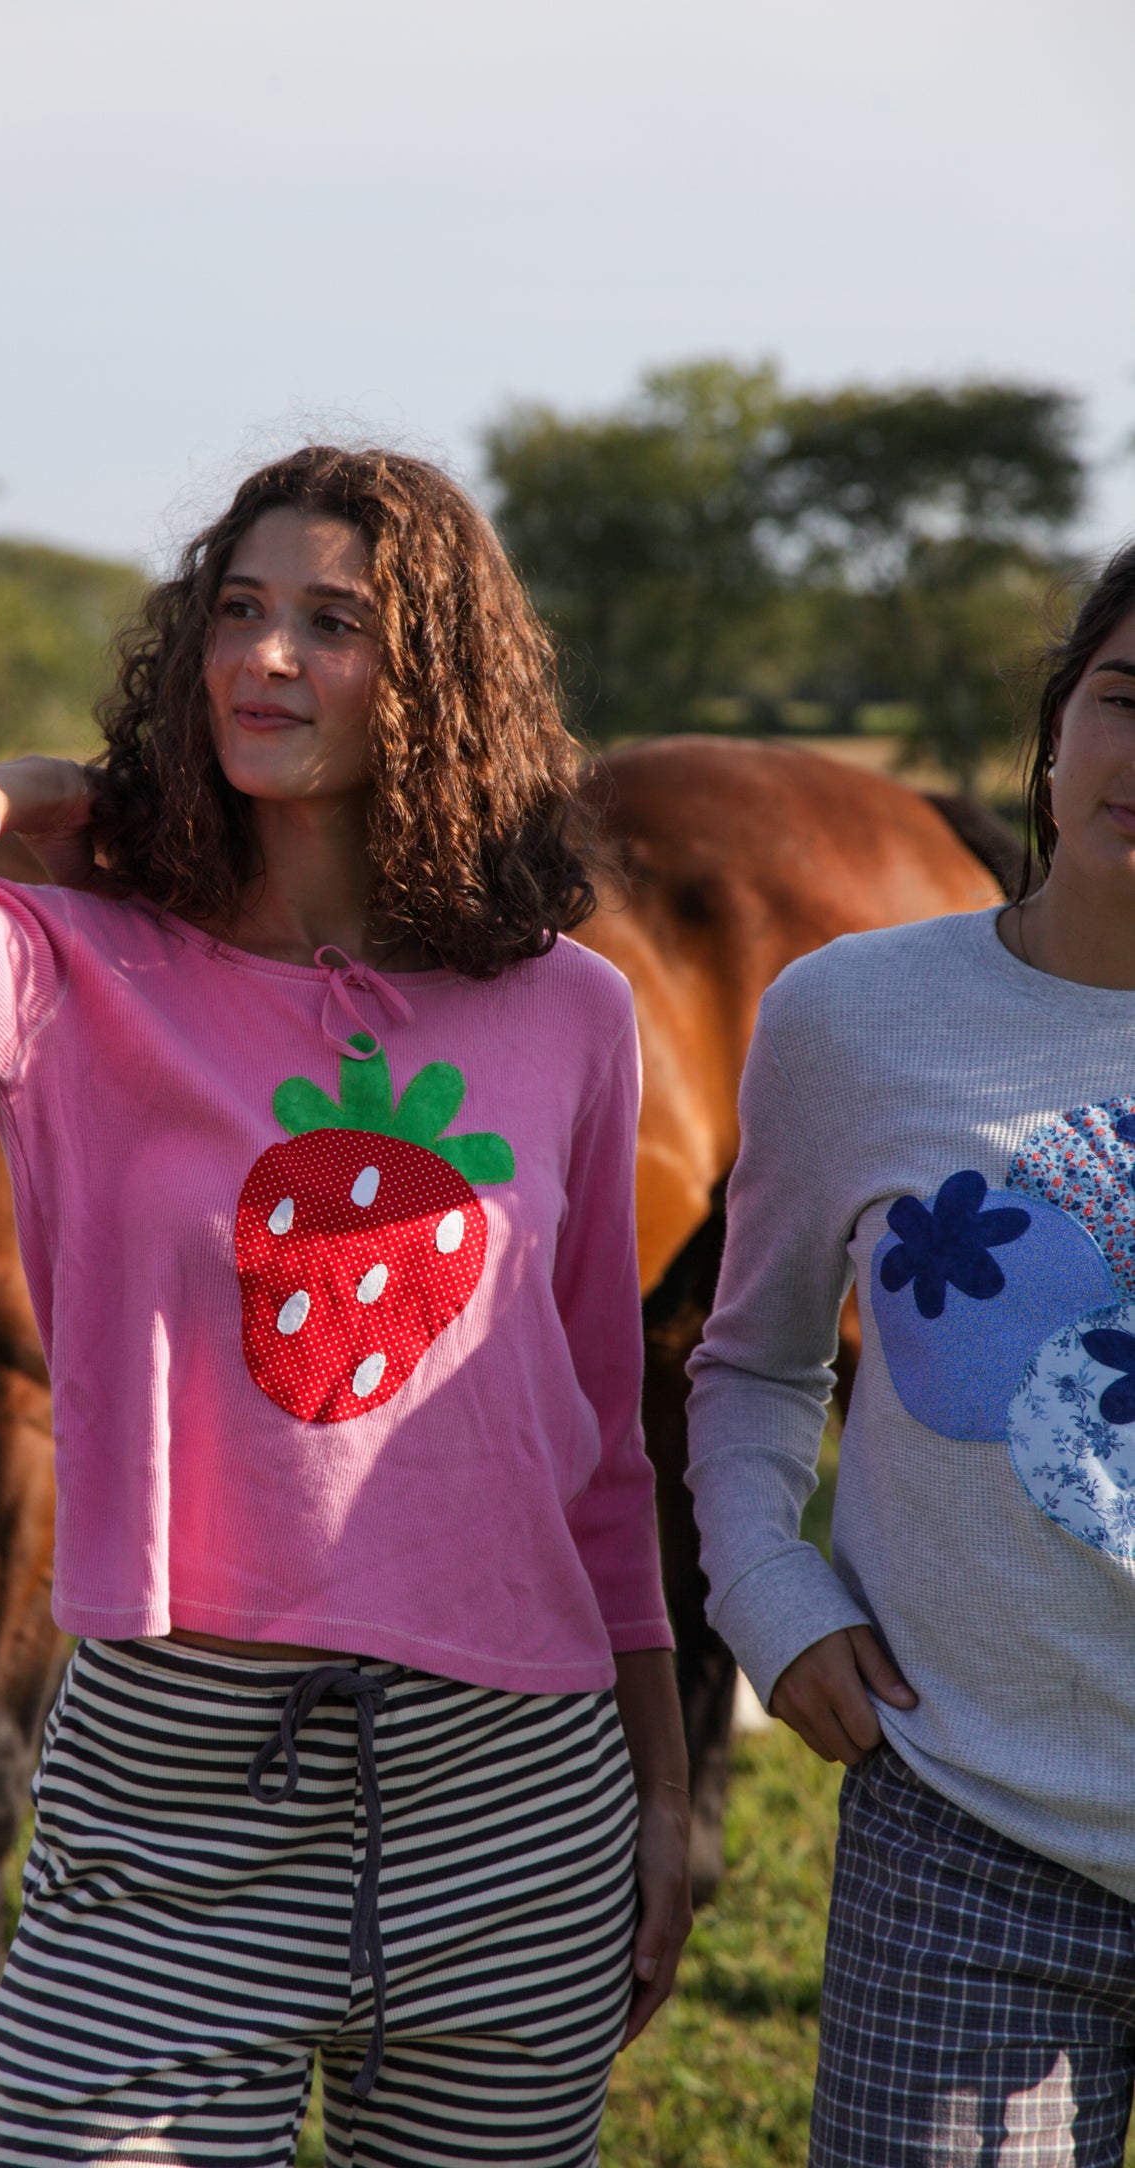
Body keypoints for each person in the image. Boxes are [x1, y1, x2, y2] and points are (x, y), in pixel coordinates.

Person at [0, 446, 691, 2168]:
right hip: (173, 1780)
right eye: (238, 612)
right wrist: (36, 791)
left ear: (437, 683)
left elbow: (600, 1437)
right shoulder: (70, 969)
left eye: (332, 623)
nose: (266, 658)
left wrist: (661, 1788)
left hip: (512, 1787)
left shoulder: (568, 1010)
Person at [686, 539, 1135, 2166]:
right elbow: (750, 1364)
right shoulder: (850, 1018)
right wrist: (767, 1590)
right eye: (1124, 700)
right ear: (1056, 725)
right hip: (964, 1830)